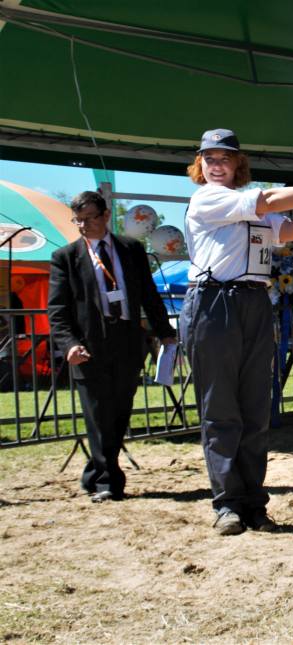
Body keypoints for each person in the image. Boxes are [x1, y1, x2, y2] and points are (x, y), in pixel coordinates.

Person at [179, 128, 293, 536]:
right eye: (209, 158)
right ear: (200, 164)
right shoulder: (209, 197)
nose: (215, 164)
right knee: (221, 407)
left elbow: (292, 232)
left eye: (224, 158)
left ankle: (253, 502)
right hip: (213, 302)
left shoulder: (253, 205)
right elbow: (268, 201)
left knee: (256, 407)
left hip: (253, 300)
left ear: (237, 163)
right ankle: (227, 503)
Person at [47, 191, 176, 503]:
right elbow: (57, 310)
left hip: (128, 342)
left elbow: (148, 293)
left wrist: (165, 331)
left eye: (90, 217)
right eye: (78, 219)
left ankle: (94, 470)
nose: (83, 224)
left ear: (106, 216)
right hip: (89, 345)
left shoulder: (131, 249)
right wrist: (69, 345)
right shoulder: (65, 257)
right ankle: (109, 481)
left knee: (118, 413)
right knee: (98, 414)